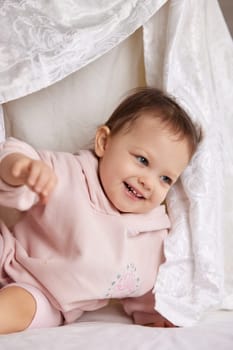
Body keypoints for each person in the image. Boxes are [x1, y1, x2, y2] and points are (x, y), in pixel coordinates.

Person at [0, 87, 202, 334]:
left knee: (18, 309)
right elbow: (16, 153)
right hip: (8, 252)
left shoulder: (152, 233)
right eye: (142, 160)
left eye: (165, 179)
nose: (148, 182)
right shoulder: (70, 172)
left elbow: (147, 286)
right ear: (104, 142)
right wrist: (21, 169)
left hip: (46, 297)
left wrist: (151, 314)